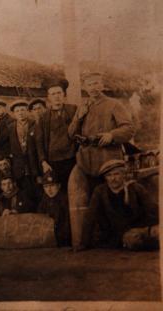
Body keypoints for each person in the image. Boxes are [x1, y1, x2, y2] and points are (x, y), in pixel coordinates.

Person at [67, 72, 135, 249]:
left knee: (114, 199)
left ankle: (122, 238)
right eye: (89, 85)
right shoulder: (84, 106)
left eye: (96, 83)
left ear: (102, 85)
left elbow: (129, 129)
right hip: (87, 161)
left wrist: (111, 135)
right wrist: (79, 117)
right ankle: (97, 239)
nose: (93, 88)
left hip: (108, 160)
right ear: (85, 87)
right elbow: (70, 134)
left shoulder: (114, 104)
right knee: (92, 200)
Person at [90, 160, 159, 250]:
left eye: (116, 174)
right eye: (109, 175)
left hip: (140, 228)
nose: (113, 179)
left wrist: (151, 228)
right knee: (133, 241)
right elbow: (90, 215)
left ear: (123, 175)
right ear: (105, 178)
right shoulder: (100, 191)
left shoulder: (135, 188)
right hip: (119, 234)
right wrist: (82, 243)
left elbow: (153, 209)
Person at [35, 80, 77, 190]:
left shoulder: (74, 110)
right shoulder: (44, 116)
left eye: (59, 93)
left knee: (73, 188)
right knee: (57, 189)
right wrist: (43, 161)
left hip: (72, 159)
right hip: (53, 161)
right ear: (48, 97)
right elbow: (39, 141)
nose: (56, 96)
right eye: (53, 94)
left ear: (64, 94)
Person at [6, 101, 40, 203]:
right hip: (19, 166)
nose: (20, 113)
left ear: (27, 111)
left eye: (22, 110)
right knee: (24, 193)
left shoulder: (35, 124)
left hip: (34, 164)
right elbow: (3, 144)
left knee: (37, 191)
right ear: (14, 114)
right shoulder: (10, 127)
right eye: (17, 111)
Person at [37, 171, 71, 247]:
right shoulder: (44, 200)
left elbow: (67, 225)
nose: (49, 190)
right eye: (46, 187)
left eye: (52, 185)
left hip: (63, 241)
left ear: (59, 186)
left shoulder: (65, 200)